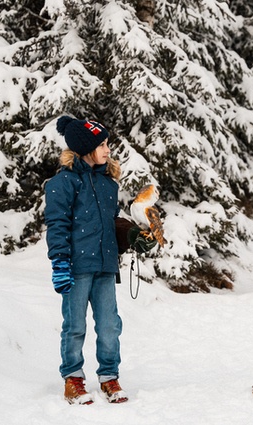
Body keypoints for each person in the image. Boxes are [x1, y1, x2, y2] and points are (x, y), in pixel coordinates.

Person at [44, 115, 155, 405]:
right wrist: (59, 263)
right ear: (85, 149)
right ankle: (73, 378)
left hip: (105, 266)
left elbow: (109, 222)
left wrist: (132, 235)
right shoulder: (62, 183)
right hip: (76, 268)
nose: (108, 150)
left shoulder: (108, 184)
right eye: (102, 145)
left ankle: (109, 376)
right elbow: (57, 224)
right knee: (75, 326)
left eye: (107, 144)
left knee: (109, 325)